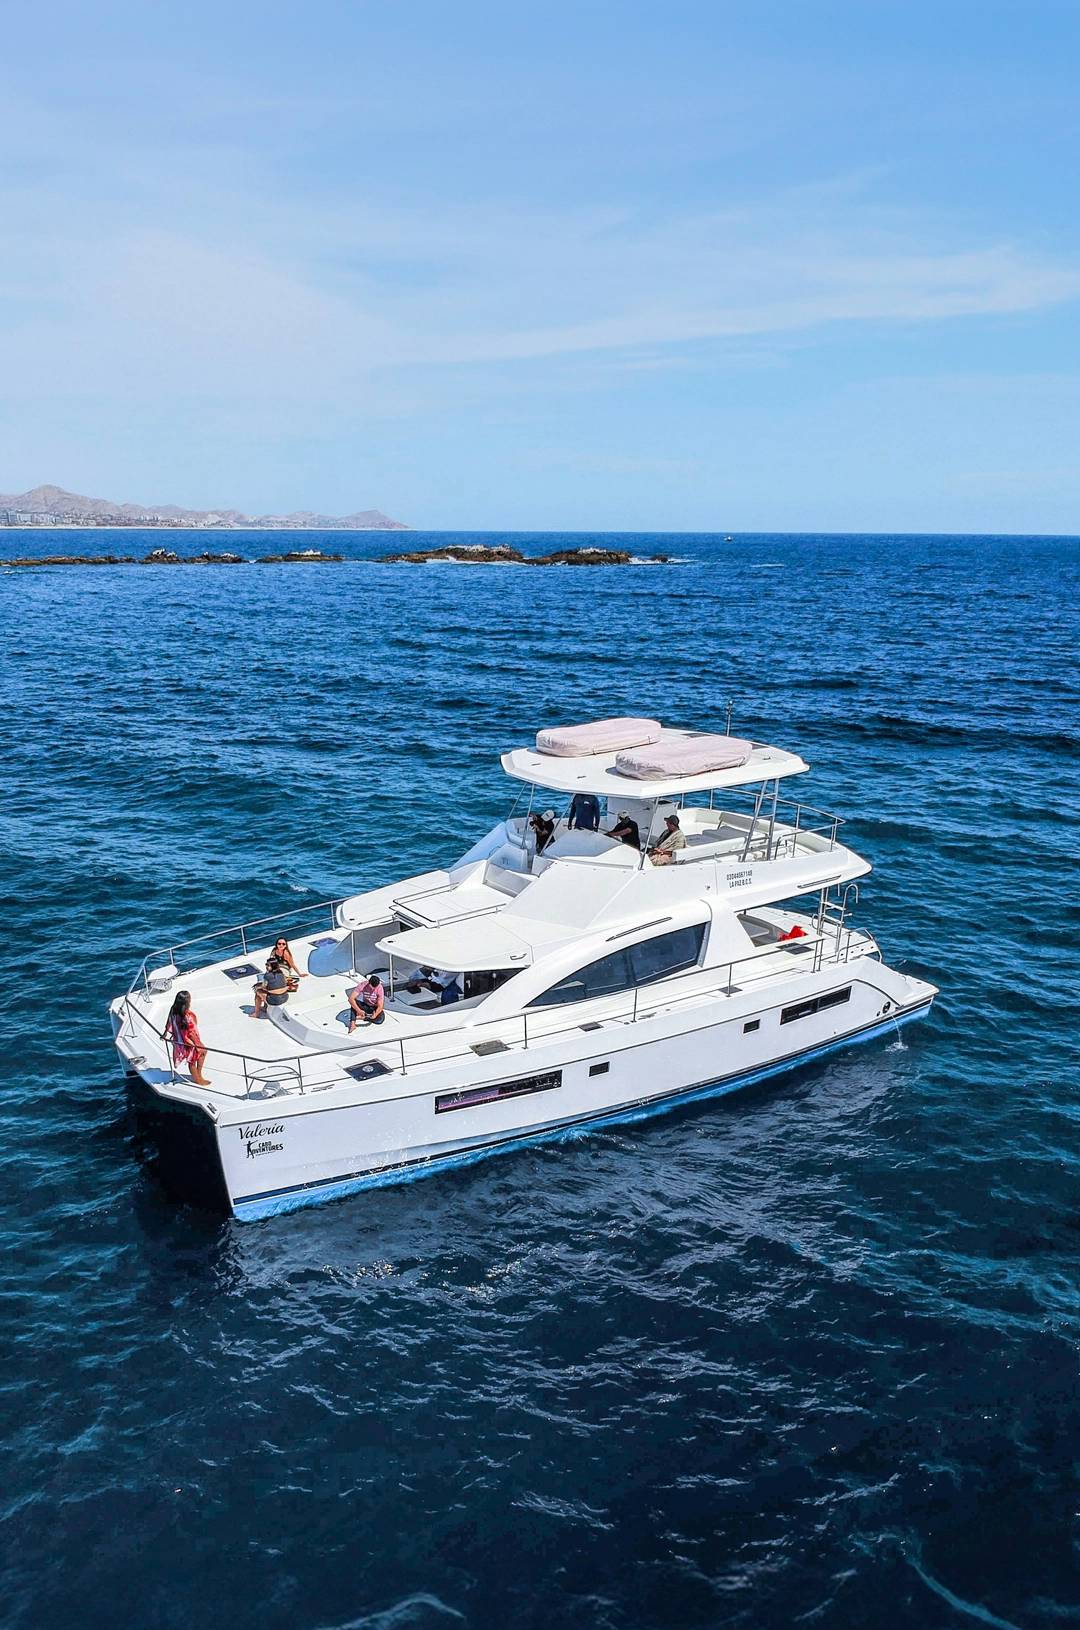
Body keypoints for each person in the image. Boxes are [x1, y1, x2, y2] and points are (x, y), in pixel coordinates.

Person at [163, 990, 211, 1086]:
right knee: (193, 1058)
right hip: (188, 1040)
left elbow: (168, 1021)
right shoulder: (186, 1017)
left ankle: (198, 1075)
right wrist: (195, 1045)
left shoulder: (173, 1010)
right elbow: (189, 1034)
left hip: (180, 1038)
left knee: (202, 1052)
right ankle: (198, 1079)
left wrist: (165, 1033)